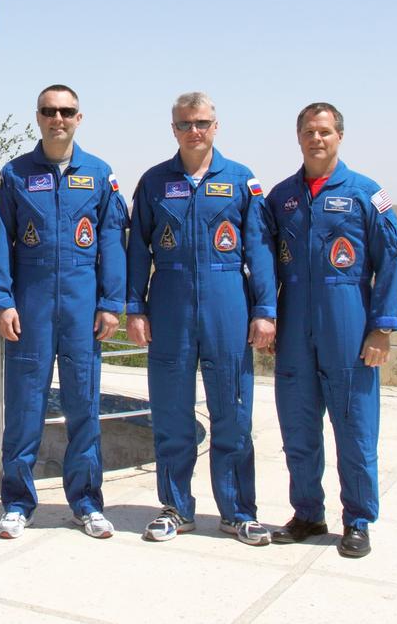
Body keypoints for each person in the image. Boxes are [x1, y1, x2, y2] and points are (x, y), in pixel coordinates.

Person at [126, 92, 277, 546]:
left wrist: (265, 310)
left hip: (227, 299)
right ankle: (176, 508)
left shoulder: (240, 180)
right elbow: (138, 251)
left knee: (232, 410)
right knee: (171, 412)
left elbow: (260, 249)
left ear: (216, 126)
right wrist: (135, 306)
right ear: (173, 129)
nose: (194, 131)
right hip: (170, 301)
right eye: (185, 124)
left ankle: (237, 512)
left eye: (202, 123)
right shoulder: (154, 182)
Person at [264, 102, 397, 558]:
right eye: (309, 131)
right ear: (298, 137)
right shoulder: (281, 197)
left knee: (355, 427)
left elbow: (389, 263)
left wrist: (382, 328)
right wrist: (264, 317)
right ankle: (307, 513)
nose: (316, 139)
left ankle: (358, 520)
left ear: (339, 136)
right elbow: (264, 262)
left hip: (347, 321)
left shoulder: (367, 192)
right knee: (298, 429)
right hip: (294, 324)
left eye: (324, 131)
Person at [0, 84, 128, 540]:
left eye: (66, 111)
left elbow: (111, 243)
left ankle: (86, 502)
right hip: (30, 305)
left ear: (79, 118)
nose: (58, 119)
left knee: (83, 405)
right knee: (24, 406)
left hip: (82, 307)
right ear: (38, 117)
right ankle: (17, 502)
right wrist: (3, 301)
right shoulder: (15, 175)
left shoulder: (99, 174)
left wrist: (111, 303)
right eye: (49, 111)